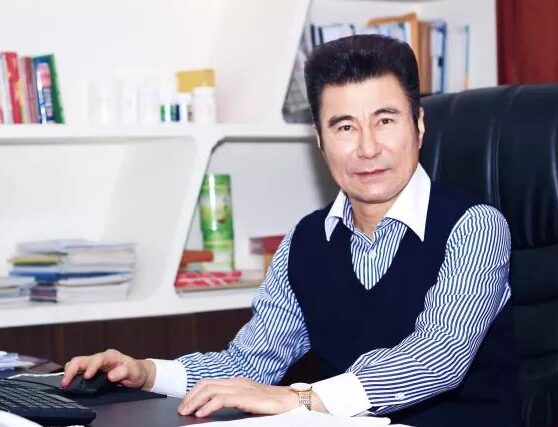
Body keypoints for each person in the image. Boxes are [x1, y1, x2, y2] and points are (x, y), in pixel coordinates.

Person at [62, 35, 520, 426]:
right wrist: (147, 373)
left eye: (385, 120)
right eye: (344, 126)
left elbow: (437, 357)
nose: (367, 147)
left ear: (418, 126)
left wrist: (301, 399)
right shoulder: (306, 241)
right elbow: (249, 363)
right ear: (320, 140)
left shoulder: (475, 226)